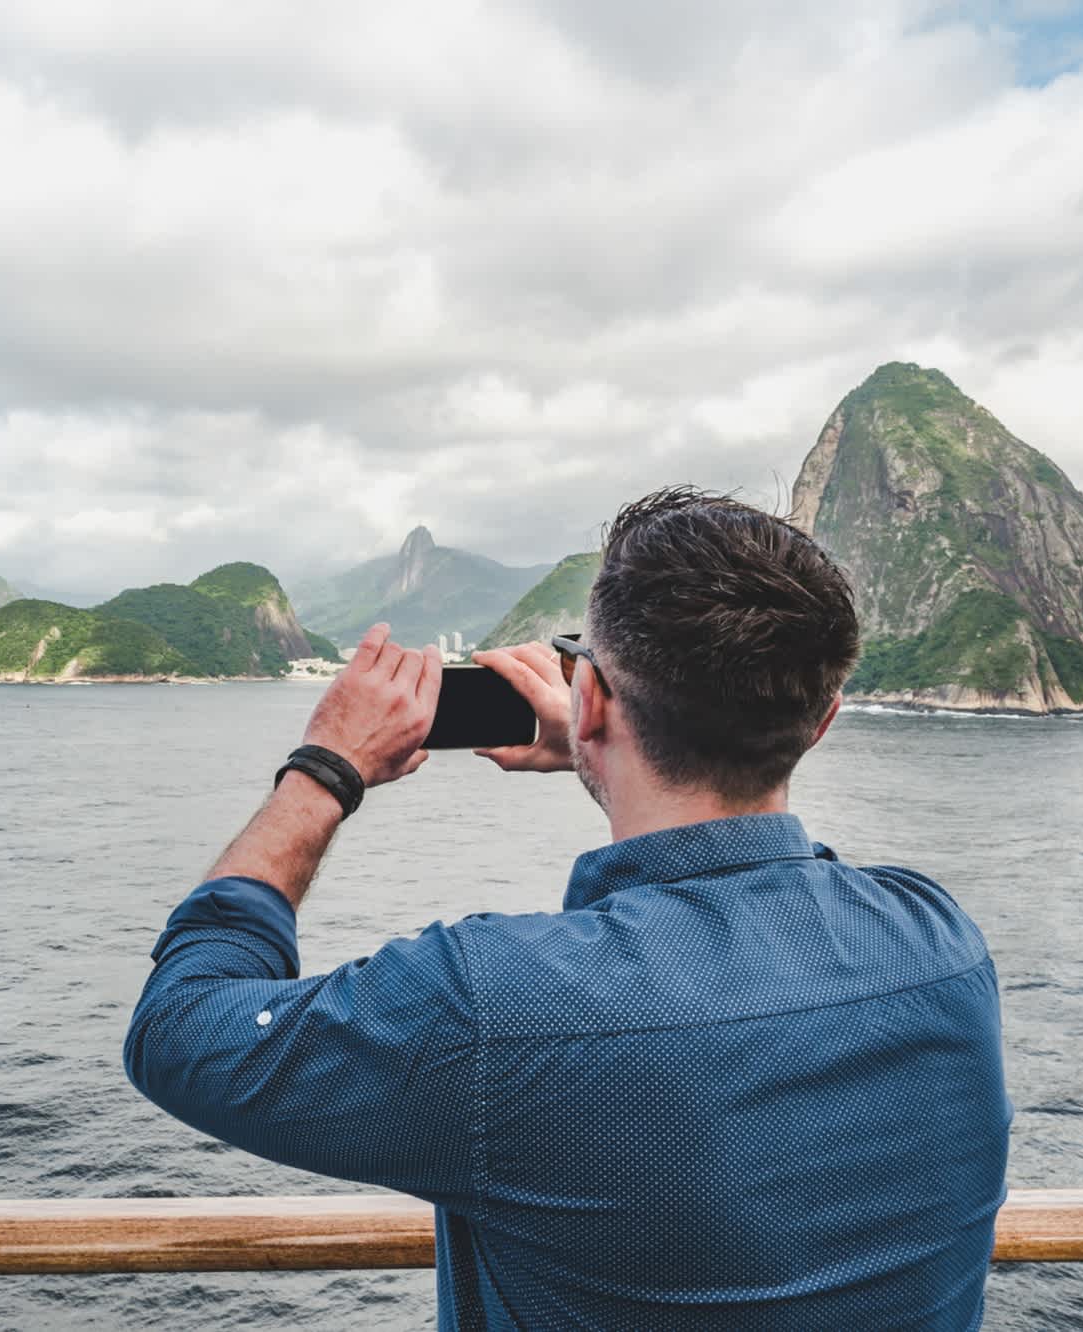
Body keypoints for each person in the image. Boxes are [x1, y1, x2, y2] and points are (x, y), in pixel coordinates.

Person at [123, 487, 1012, 1330]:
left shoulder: (494, 1007)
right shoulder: (938, 942)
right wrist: (608, 751)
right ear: (821, 720)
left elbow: (179, 1028)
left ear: (587, 697)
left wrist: (324, 768)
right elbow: (750, 892)